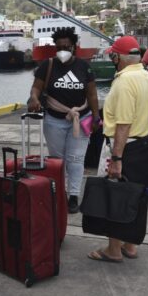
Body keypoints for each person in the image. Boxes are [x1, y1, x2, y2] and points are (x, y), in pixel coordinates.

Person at [88, 36, 148, 262]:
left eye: (112, 56)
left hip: (122, 145)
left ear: (118, 57)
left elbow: (123, 122)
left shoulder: (125, 81)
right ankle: (130, 245)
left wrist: (116, 157)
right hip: (143, 144)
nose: (111, 60)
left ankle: (113, 249)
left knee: (114, 197)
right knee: (135, 196)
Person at [28, 27, 100, 213]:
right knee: (58, 160)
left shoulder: (84, 67)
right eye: (59, 47)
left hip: (80, 118)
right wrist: (34, 99)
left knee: (76, 159)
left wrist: (96, 116)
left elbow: (92, 94)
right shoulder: (48, 65)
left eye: (67, 47)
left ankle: (74, 195)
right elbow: (36, 88)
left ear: (74, 47)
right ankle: (60, 192)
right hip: (54, 119)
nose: (63, 51)